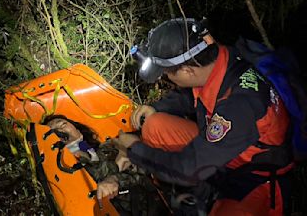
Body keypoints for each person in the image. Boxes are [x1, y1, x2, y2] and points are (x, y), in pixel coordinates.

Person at [112, 18, 293, 216]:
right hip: (224, 153)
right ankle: (191, 191)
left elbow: (188, 170)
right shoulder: (219, 61)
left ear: (187, 70)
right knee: (154, 124)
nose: (166, 78)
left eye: (166, 74)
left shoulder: (240, 104)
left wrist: (133, 150)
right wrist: (156, 107)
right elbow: (191, 95)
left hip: (254, 177)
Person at [43, 114, 168, 215]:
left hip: (156, 204)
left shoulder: (111, 146)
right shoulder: (67, 172)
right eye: (53, 132)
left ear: (76, 128)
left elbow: (143, 169)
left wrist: (116, 177)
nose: (60, 131)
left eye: (63, 124)